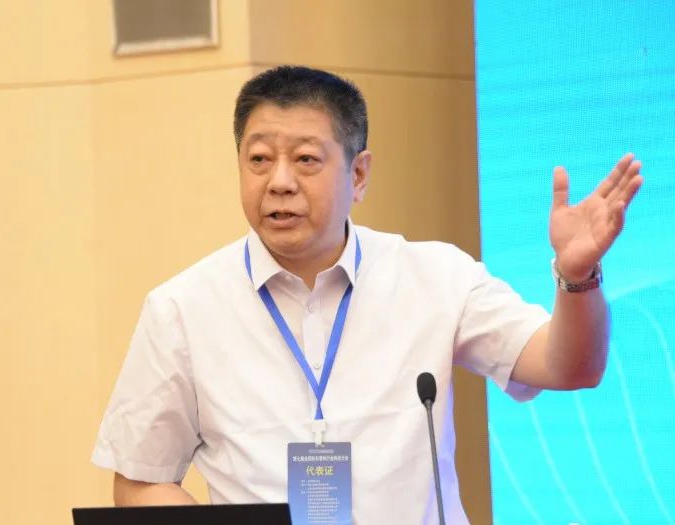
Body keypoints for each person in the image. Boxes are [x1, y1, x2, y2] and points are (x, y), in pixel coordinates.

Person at [92, 65, 643, 524]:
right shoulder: (182, 309)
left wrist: (577, 276)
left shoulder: (435, 276)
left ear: (358, 175)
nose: (278, 182)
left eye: (306, 159)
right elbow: (139, 480)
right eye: (258, 159)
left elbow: (570, 367)